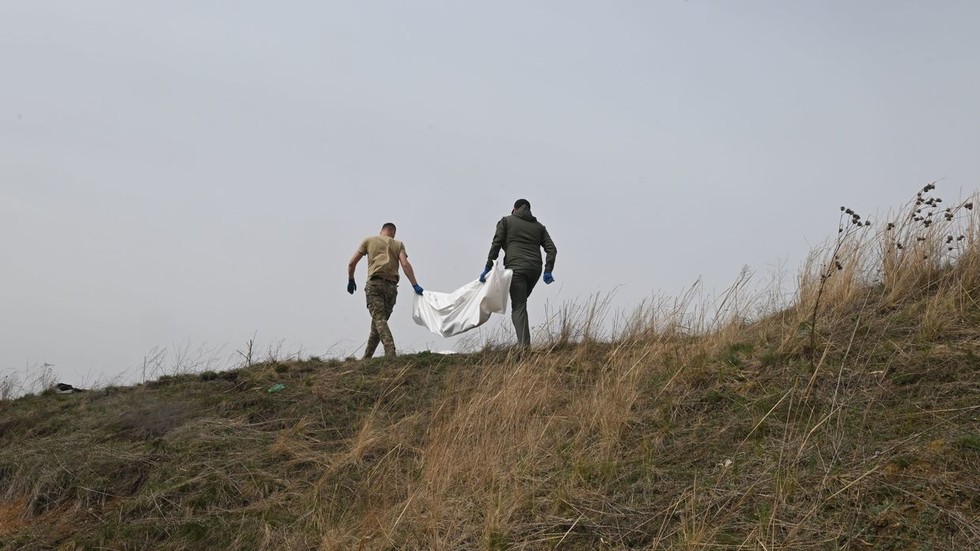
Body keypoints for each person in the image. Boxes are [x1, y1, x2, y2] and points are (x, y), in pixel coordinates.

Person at [480, 199, 557, 349]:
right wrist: (548, 271)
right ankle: (523, 341)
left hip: (516, 269)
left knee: (519, 306)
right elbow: (552, 249)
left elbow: (496, 243)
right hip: (535, 270)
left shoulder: (506, 221)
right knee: (521, 302)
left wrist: (488, 266)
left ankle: (524, 347)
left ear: (514, 208)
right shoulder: (539, 227)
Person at [348, 223, 424, 359]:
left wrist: (351, 279)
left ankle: (390, 352)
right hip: (391, 288)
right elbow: (405, 264)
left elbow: (352, 263)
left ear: (381, 231)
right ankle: (367, 358)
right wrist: (415, 285)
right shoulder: (398, 244)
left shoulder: (369, 240)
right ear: (393, 233)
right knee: (378, 322)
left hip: (375, 285)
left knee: (379, 320)